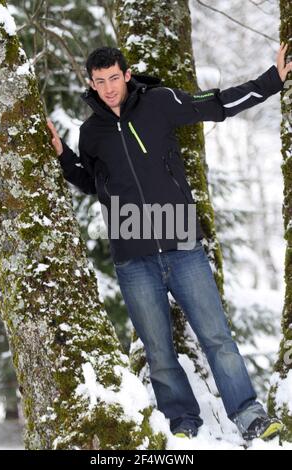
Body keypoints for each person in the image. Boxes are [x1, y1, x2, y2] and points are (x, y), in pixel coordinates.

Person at [47, 44, 291, 441]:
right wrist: (63, 157)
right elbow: (93, 183)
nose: (108, 88)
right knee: (158, 351)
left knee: (217, 338)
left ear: (126, 75)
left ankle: (248, 416)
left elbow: (215, 104)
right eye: (99, 81)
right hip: (132, 253)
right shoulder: (91, 132)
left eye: (113, 78)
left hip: (181, 242)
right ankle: (182, 423)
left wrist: (271, 82)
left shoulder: (160, 102)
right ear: (90, 84)